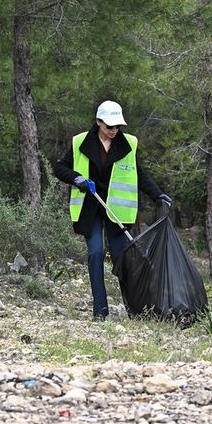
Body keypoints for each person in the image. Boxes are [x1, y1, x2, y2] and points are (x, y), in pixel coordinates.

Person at [54, 100, 172, 321]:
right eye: (109, 126)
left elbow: (140, 175)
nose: (114, 130)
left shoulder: (128, 144)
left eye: (117, 126)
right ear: (98, 122)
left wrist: (158, 195)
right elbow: (60, 167)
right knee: (96, 253)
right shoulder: (80, 142)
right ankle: (100, 312)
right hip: (90, 208)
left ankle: (135, 310)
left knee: (122, 258)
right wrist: (77, 179)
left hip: (116, 210)